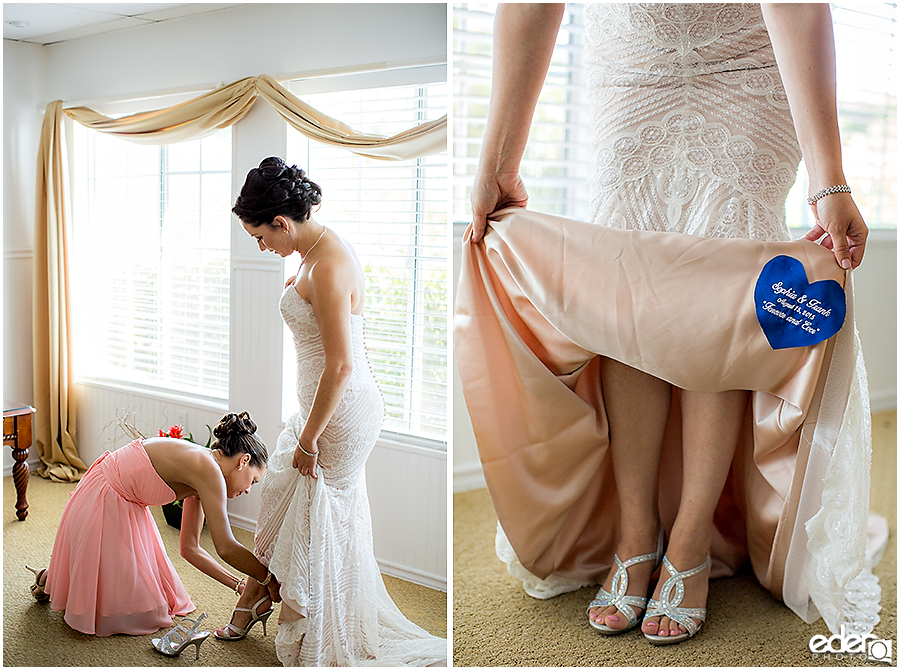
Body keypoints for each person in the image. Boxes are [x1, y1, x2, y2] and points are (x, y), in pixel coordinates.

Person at [459, 2, 876, 646]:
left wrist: (829, 178)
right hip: (631, 58)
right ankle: (634, 534)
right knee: (631, 289)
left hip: (748, 60)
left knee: (720, 290)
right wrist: (498, 159)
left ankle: (688, 543)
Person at [223, 156, 446, 666]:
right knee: (289, 502)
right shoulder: (313, 253)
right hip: (325, 405)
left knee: (313, 513)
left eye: (260, 237)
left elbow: (341, 366)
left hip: (340, 412)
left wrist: (307, 441)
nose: (261, 247)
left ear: (282, 222)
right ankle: (258, 595)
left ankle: (290, 612)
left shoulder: (327, 265)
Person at [26, 410, 279, 638]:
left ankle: (51, 579)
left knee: (146, 596)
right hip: (104, 499)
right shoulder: (208, 469)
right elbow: (225, 546)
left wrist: (238, 584)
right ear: (243, 461)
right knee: (128, 610)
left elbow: (190, 549)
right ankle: (52, 580)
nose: (248, 490)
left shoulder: (204, 472)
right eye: (253, 481)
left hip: (123, 501)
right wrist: (268, 578)